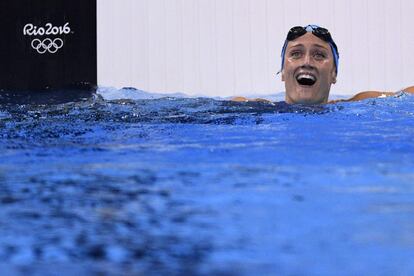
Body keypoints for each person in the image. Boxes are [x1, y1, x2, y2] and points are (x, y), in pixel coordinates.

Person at [232, 24, 414, 104]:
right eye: (296, 54)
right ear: (282, 71)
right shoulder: (256, 109)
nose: (307, 62)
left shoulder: (358, 105)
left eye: (319, 55)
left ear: (334, 73)